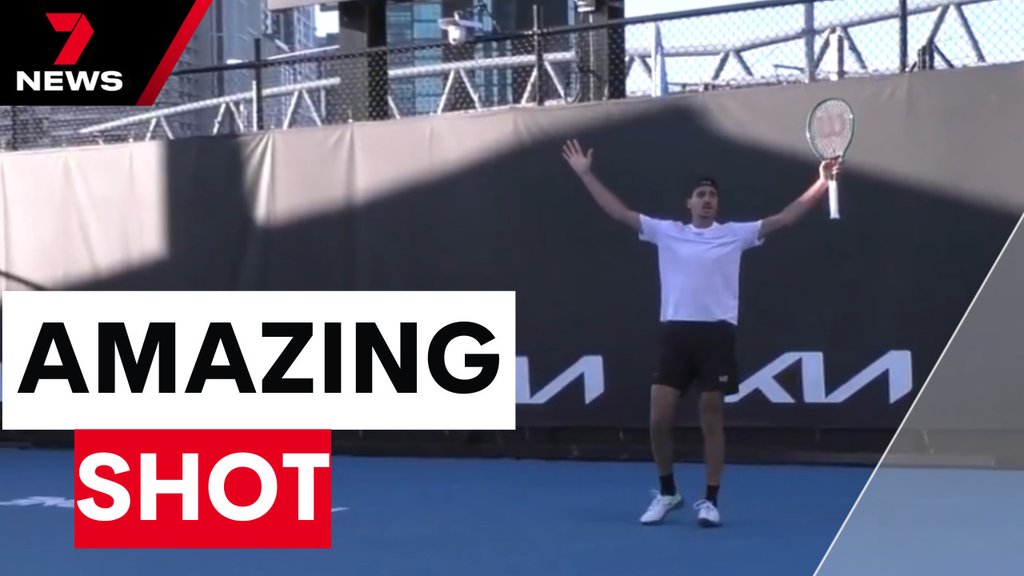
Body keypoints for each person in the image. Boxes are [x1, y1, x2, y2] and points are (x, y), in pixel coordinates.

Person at [561, 138, 841, 528]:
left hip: (716, 336)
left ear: (716, 204)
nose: (708, 200)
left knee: (711, 418)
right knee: (658, 420)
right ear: (689, 204)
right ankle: (668, 492)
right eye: (701, 195)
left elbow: (786, 218)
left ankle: (710, 501)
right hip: (675, 335)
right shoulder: (665, 232)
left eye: (712, 196)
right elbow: (619, 213)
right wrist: (586, 174)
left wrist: (822, 182)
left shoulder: (736, 234)